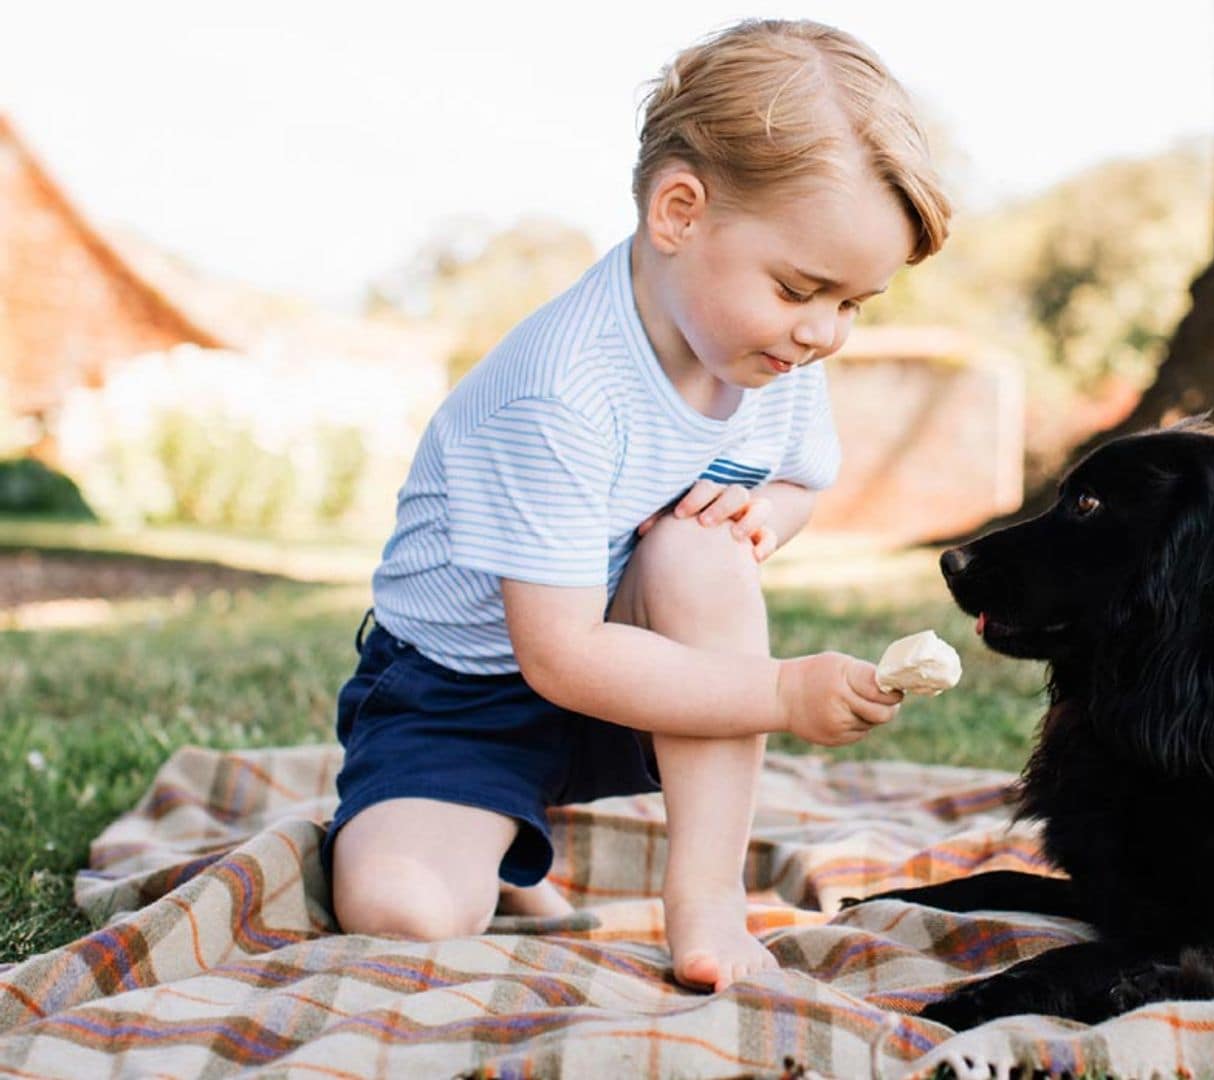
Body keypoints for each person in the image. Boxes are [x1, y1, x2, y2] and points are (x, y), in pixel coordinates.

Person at [324, 17, 951, 993]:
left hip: (640, 667)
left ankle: (704, 901)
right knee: (403, 914)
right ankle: (484, 834)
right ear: (679, 212)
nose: (825, 332)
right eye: (801, 288)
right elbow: (558, 655)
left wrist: (761, 522)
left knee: (702, 555)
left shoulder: (772, 352)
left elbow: (795, 483)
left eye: (854, 304)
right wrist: (784, 693)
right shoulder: (560, 393)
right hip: (466, 692)